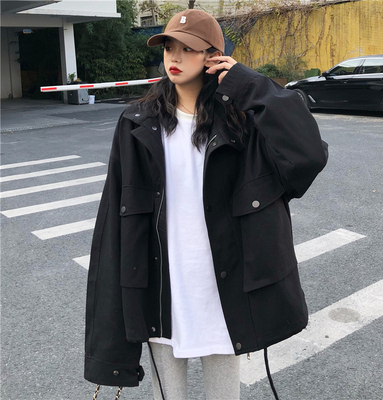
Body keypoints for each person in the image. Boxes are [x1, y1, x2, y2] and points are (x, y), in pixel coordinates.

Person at [84, 9, 328, 400]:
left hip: (221, 289)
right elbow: (114, 217)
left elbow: (308, 155)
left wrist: (250, 84)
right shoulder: (137, 123)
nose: (175, 57)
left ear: (213, 57)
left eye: (188, 49)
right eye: (169, 47)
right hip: (162, 288)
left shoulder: (240, 123)